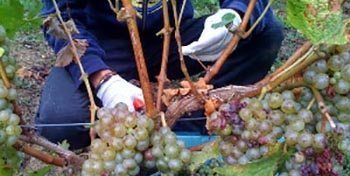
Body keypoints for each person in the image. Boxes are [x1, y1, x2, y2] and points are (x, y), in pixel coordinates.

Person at [37, 0, 284, 149]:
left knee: (264, 32)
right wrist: (102, 79)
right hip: (102, 46)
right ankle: (136, 123)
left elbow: (250, 4)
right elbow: (58, 18)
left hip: (173, 39)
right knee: (59, 123)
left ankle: (190, 120)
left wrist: (236, 17)